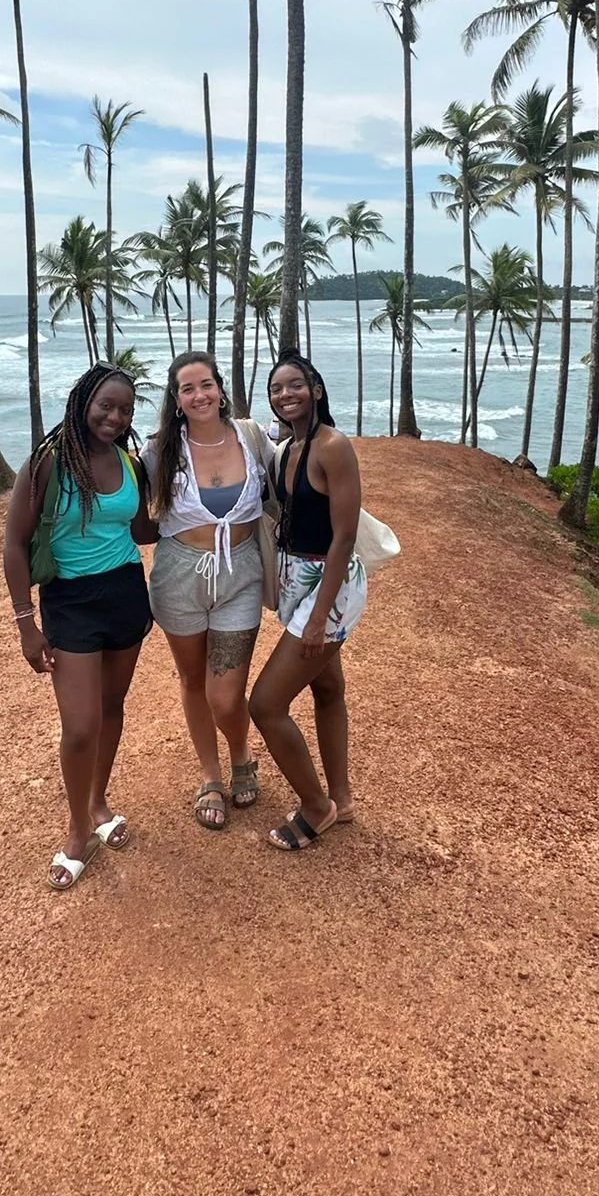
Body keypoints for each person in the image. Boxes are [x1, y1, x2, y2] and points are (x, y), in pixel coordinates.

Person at [3, 363, 154, 891]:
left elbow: (142, 529)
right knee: (80, 725)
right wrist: (27, 625)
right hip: (69, 603)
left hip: (127, 594)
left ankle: (97, 803)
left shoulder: (131, 464)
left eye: (126, 409)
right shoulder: (46, 464)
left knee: (113, 710)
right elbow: (14, 546)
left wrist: (209, 508)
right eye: (105, 405)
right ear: (83, 402)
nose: (115, 417)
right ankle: (76, 830)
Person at [142, 351, 275, 830]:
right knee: (192, 679)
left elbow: (296, 468)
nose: (199, 395)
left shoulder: (252, 436)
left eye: (206, 385)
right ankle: (211, 775)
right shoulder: (160, 450)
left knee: (225, 693)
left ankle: (242, 754)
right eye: (187, 389)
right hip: (178, 573)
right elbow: (130, 506)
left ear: (220, 388)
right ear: (176, 400)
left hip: (240, 570)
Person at [249, 349, 366, 852]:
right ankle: (341, 798)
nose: (285, 394)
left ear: (316, 390)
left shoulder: (332, 446)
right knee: (328, 689)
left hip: (330, 586)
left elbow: (344, 537)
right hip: (301, 578)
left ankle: (316, 807)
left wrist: (319, 617)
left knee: (266, 704)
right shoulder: (286, 449)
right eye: (276, 389)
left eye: (295, 385)